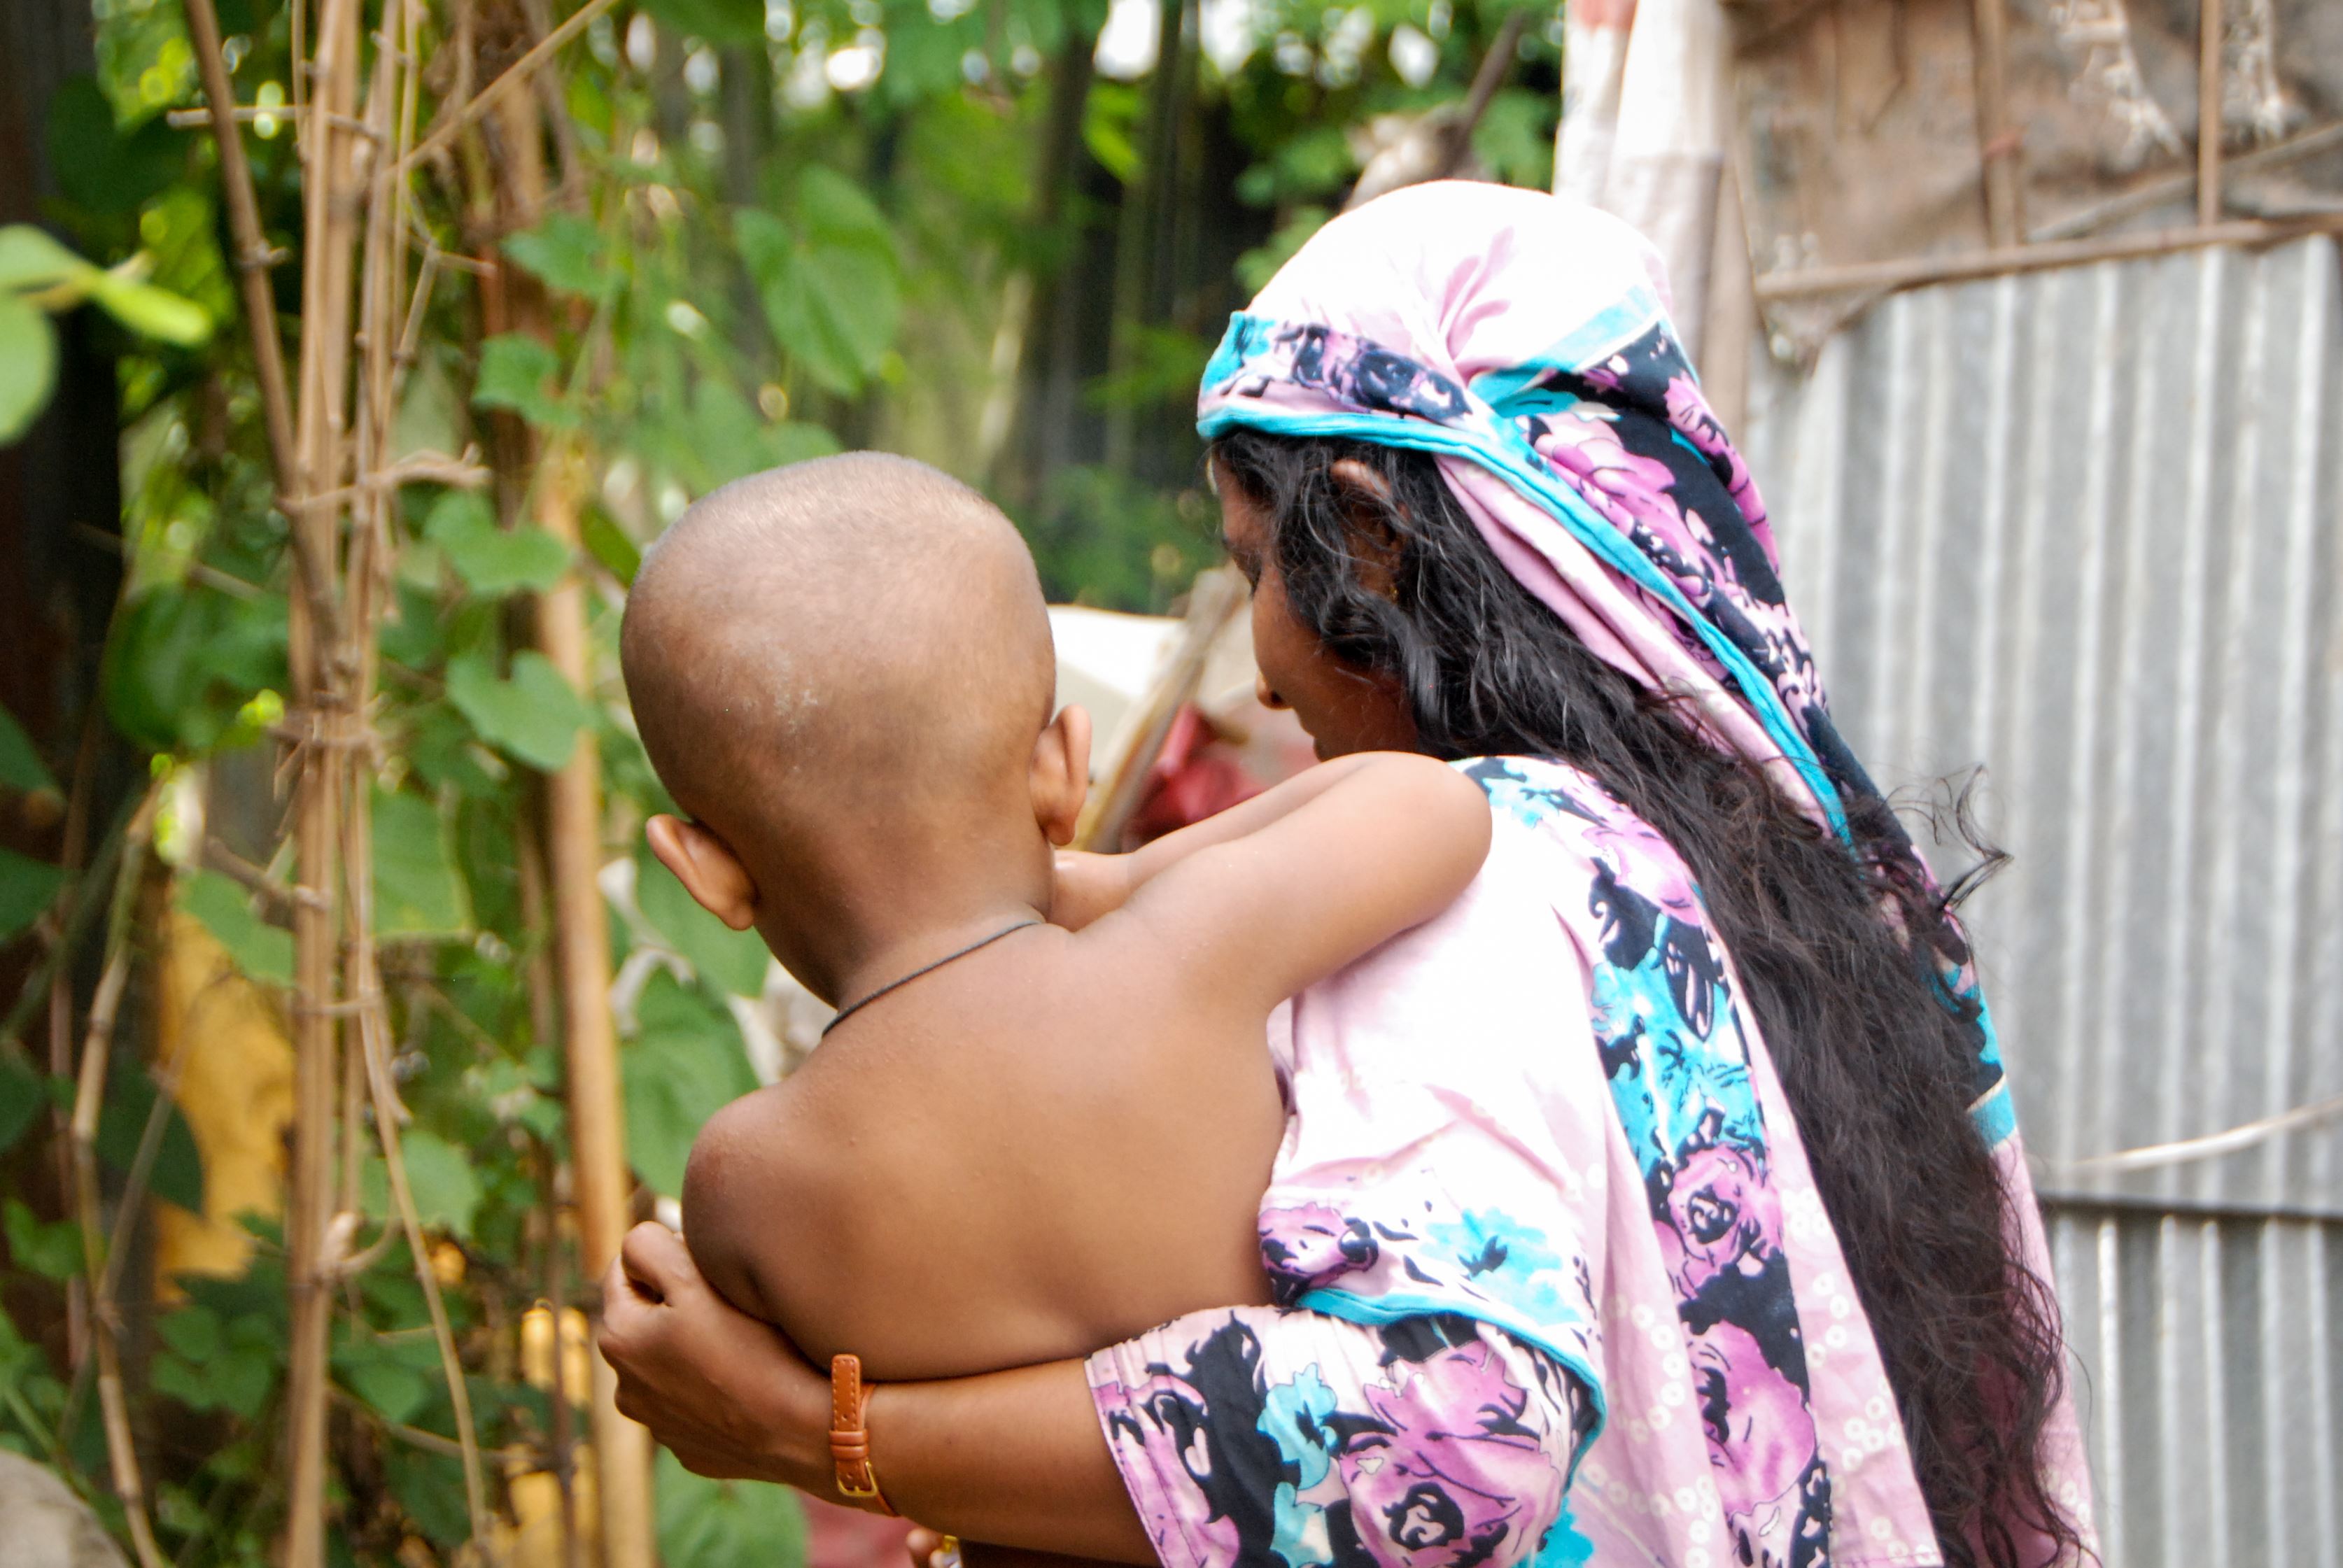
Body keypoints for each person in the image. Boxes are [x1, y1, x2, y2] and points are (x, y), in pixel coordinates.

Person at [602, 182, 2096, 1568]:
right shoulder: (1751, 876)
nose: (1258, 669)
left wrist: (830, 1437)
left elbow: (1451, 1435)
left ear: (1372, 552)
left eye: (1258, 564)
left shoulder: (1472, 907)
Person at [617, 451, 1492, 1401]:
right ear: (1064, 770)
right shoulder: (1187, 949)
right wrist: (1116, 878)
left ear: (704, 868)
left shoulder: (749, 1176)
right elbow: (1436, 803)